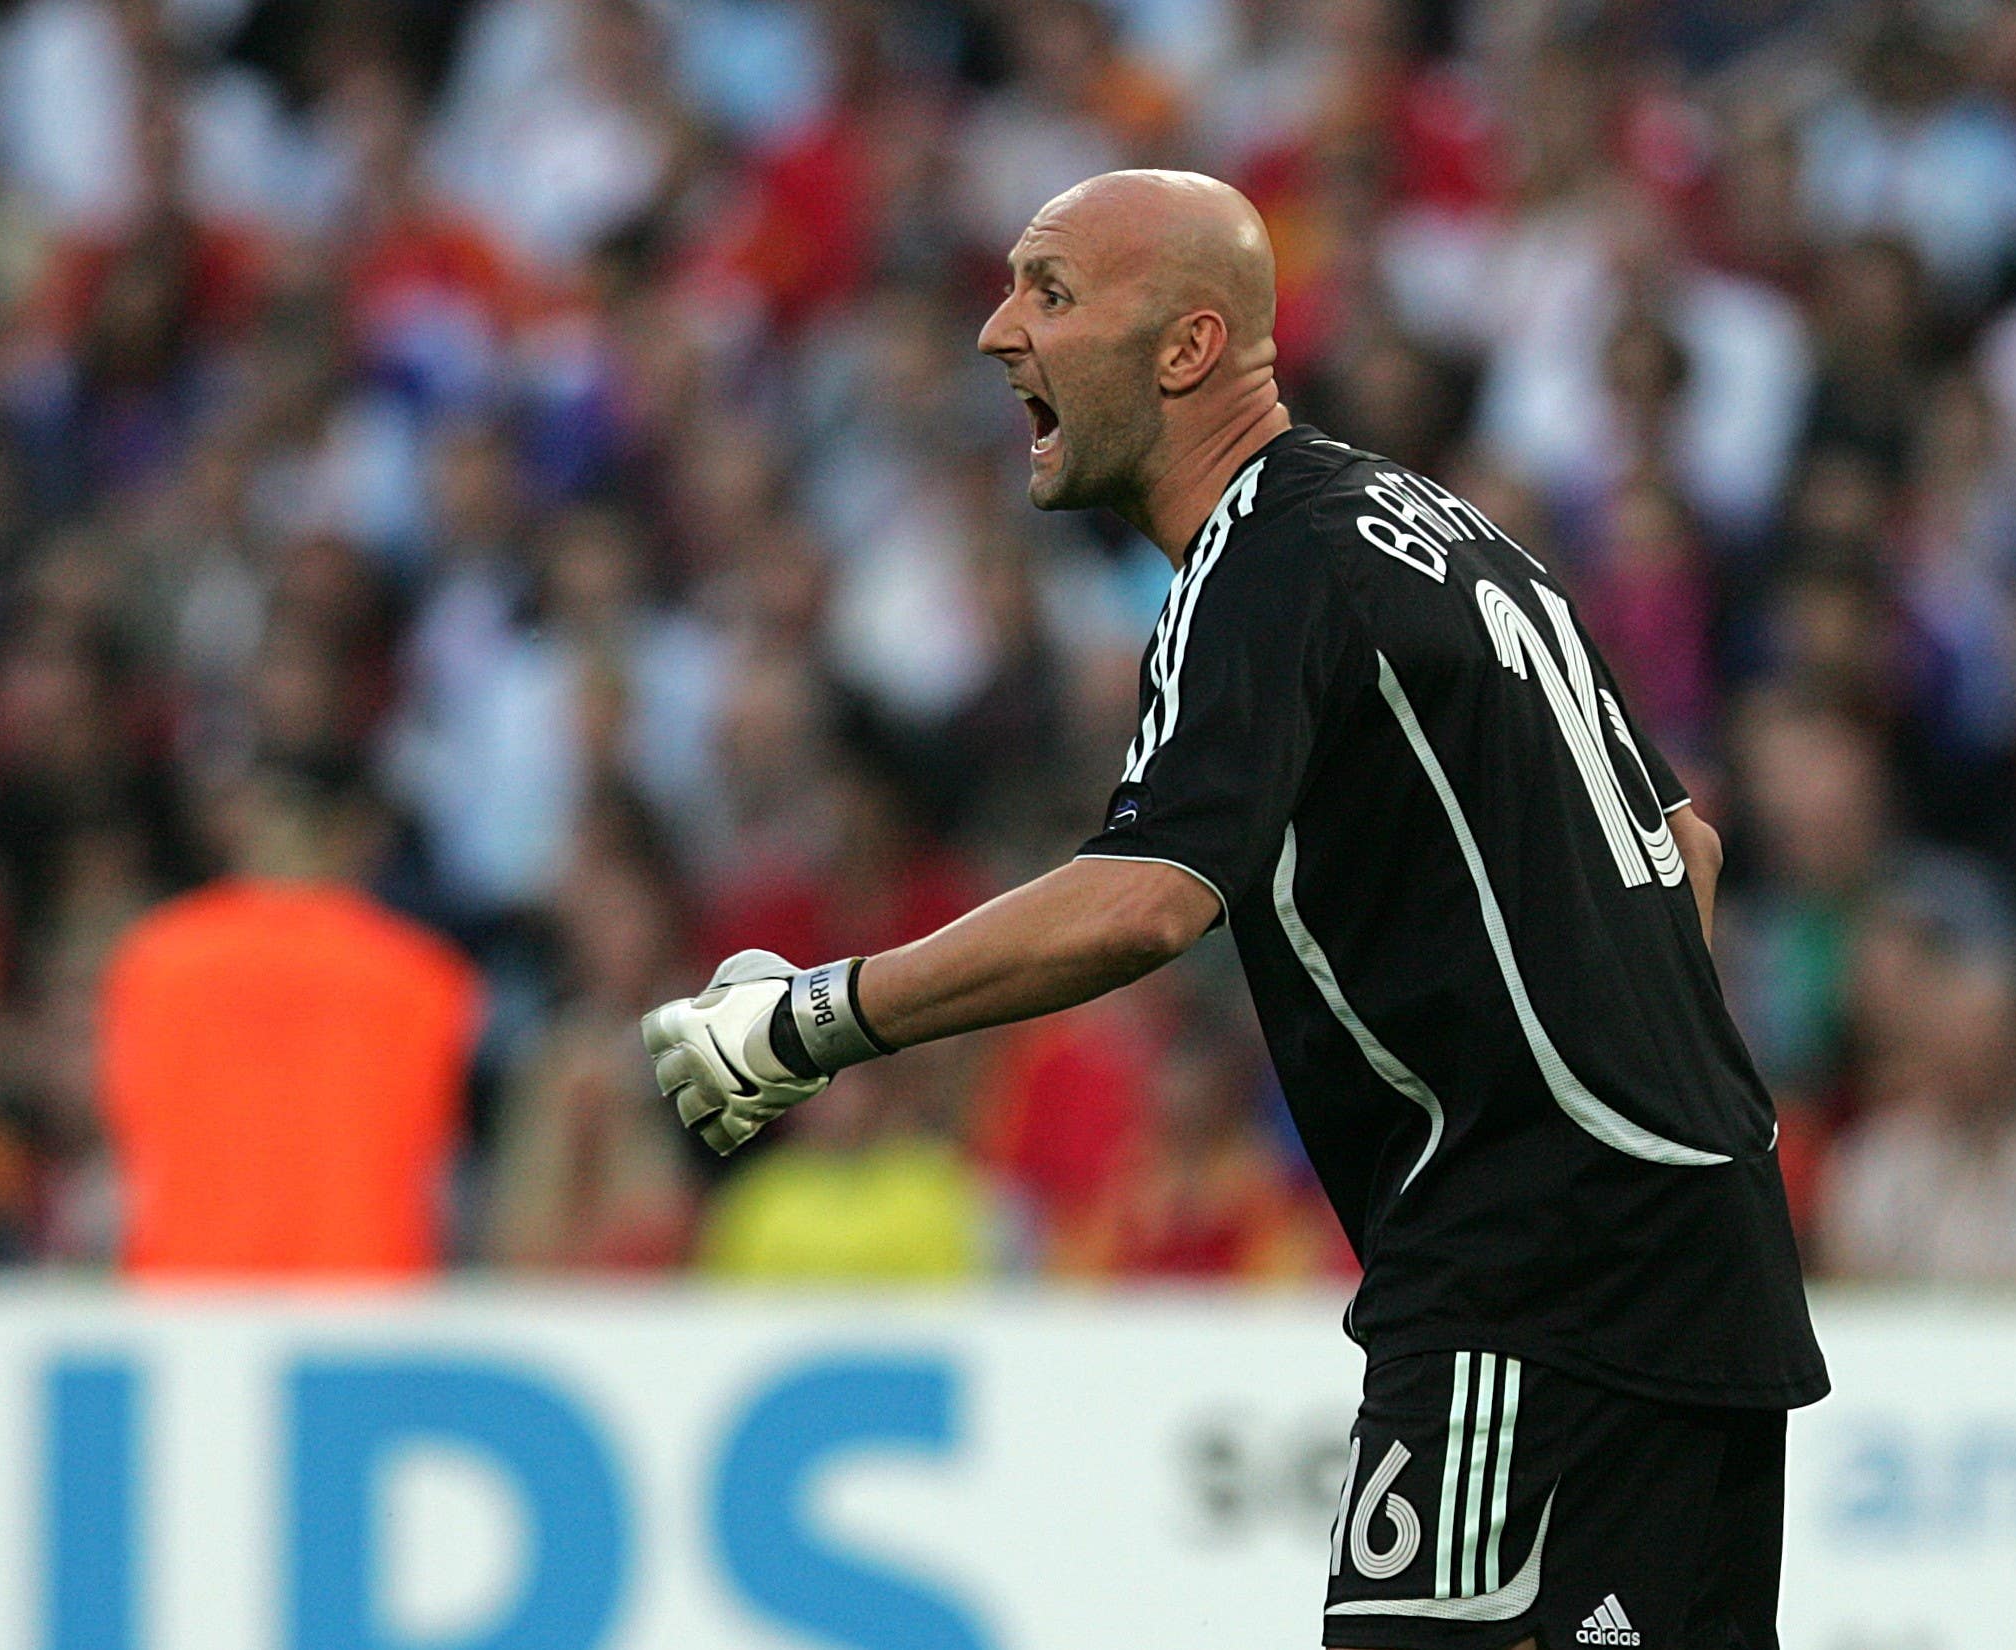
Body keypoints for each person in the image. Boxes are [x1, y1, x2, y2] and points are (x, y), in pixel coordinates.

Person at [643, 170, 1826, 1650]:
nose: (996, 331)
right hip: (1695, 1247)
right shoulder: (1437, 526)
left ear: (1189, 347)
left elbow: (1145, 900)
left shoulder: (1264, 563)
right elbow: (1682, 844)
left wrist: (811, 1018)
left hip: (1529, 1273)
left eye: (1050, 291)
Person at [102, 757, 477, 1279]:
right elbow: (437, 1151)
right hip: (364, 1291)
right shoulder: (423, 976)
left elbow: (127, 1126)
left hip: (191, 1289)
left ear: (240, 824)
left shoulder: (153, 963)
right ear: (356, 834)